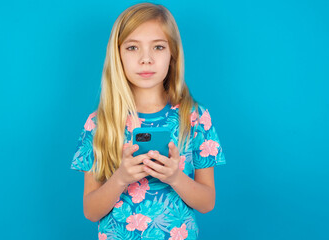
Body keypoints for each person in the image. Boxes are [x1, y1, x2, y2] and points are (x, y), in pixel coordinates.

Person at [70, 2, 226, 239]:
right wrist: (120, 178)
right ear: (118, 54)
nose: (146, 59)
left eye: (158, 47)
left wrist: (175, 177)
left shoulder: (194, 117)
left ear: (172, 54)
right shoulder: (100, 123)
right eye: (133, 47)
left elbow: (207, 203)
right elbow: (91, 211)